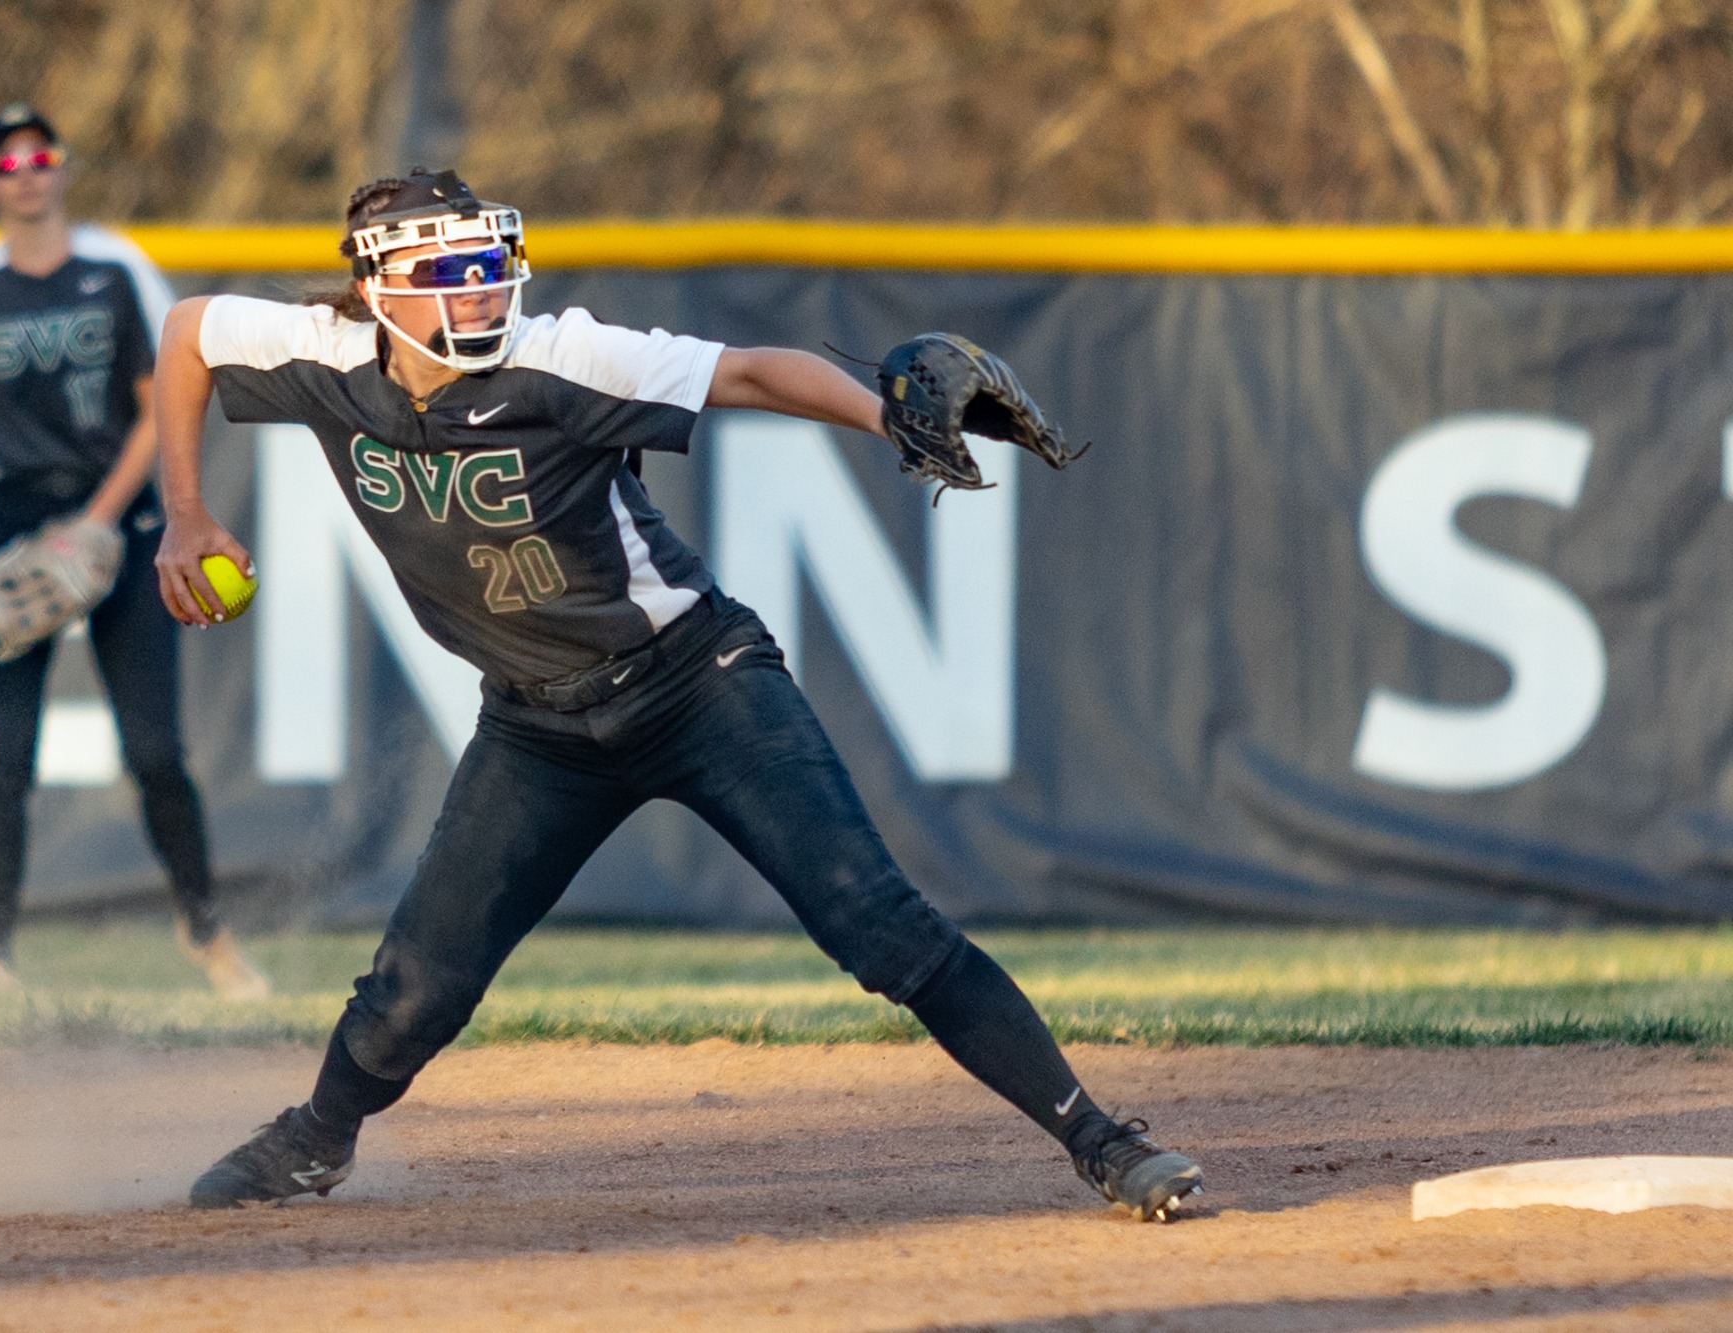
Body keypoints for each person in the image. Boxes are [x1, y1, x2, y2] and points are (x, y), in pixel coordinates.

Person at [156, 168, 1203, 1221]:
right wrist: (186, 511)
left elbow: (751, 372)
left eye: (487, 265)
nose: (477, 291)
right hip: (536, 723)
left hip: (696, 685)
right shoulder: (318, 353)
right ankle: (315, 1138)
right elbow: (188, 329)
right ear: (379, 288)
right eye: (445, 272)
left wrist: (890, 425)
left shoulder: (558, 355)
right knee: (413, 991)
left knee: (879, 924)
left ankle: (1102, 1141)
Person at [0, 104, 268, 1002]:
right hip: (14, 523)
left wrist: (100, 519)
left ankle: (207, 932)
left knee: (156, 750)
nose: (26, 172)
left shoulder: (117, 270)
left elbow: (162, 401)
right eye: (6, 161)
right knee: (7, 758)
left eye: (41, 155)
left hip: (121, 526)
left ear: (62, 169)